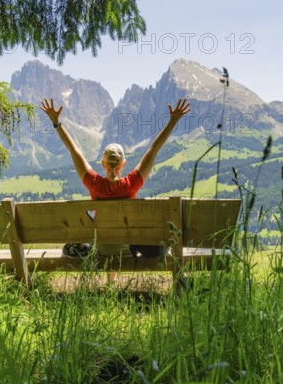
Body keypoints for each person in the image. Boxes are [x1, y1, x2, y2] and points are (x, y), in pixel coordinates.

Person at [39, 97, 191, 284]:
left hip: (101, 249)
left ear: (102, 164)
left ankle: (110, 282)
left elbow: (74, 150)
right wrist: (173, 121)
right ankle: (113, 281)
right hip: (128, 248)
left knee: (73, 246)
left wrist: (56, 122)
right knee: (141, 238)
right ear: (123, 164)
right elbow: (153, 150)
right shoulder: (131, 184)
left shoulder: (94, 183)